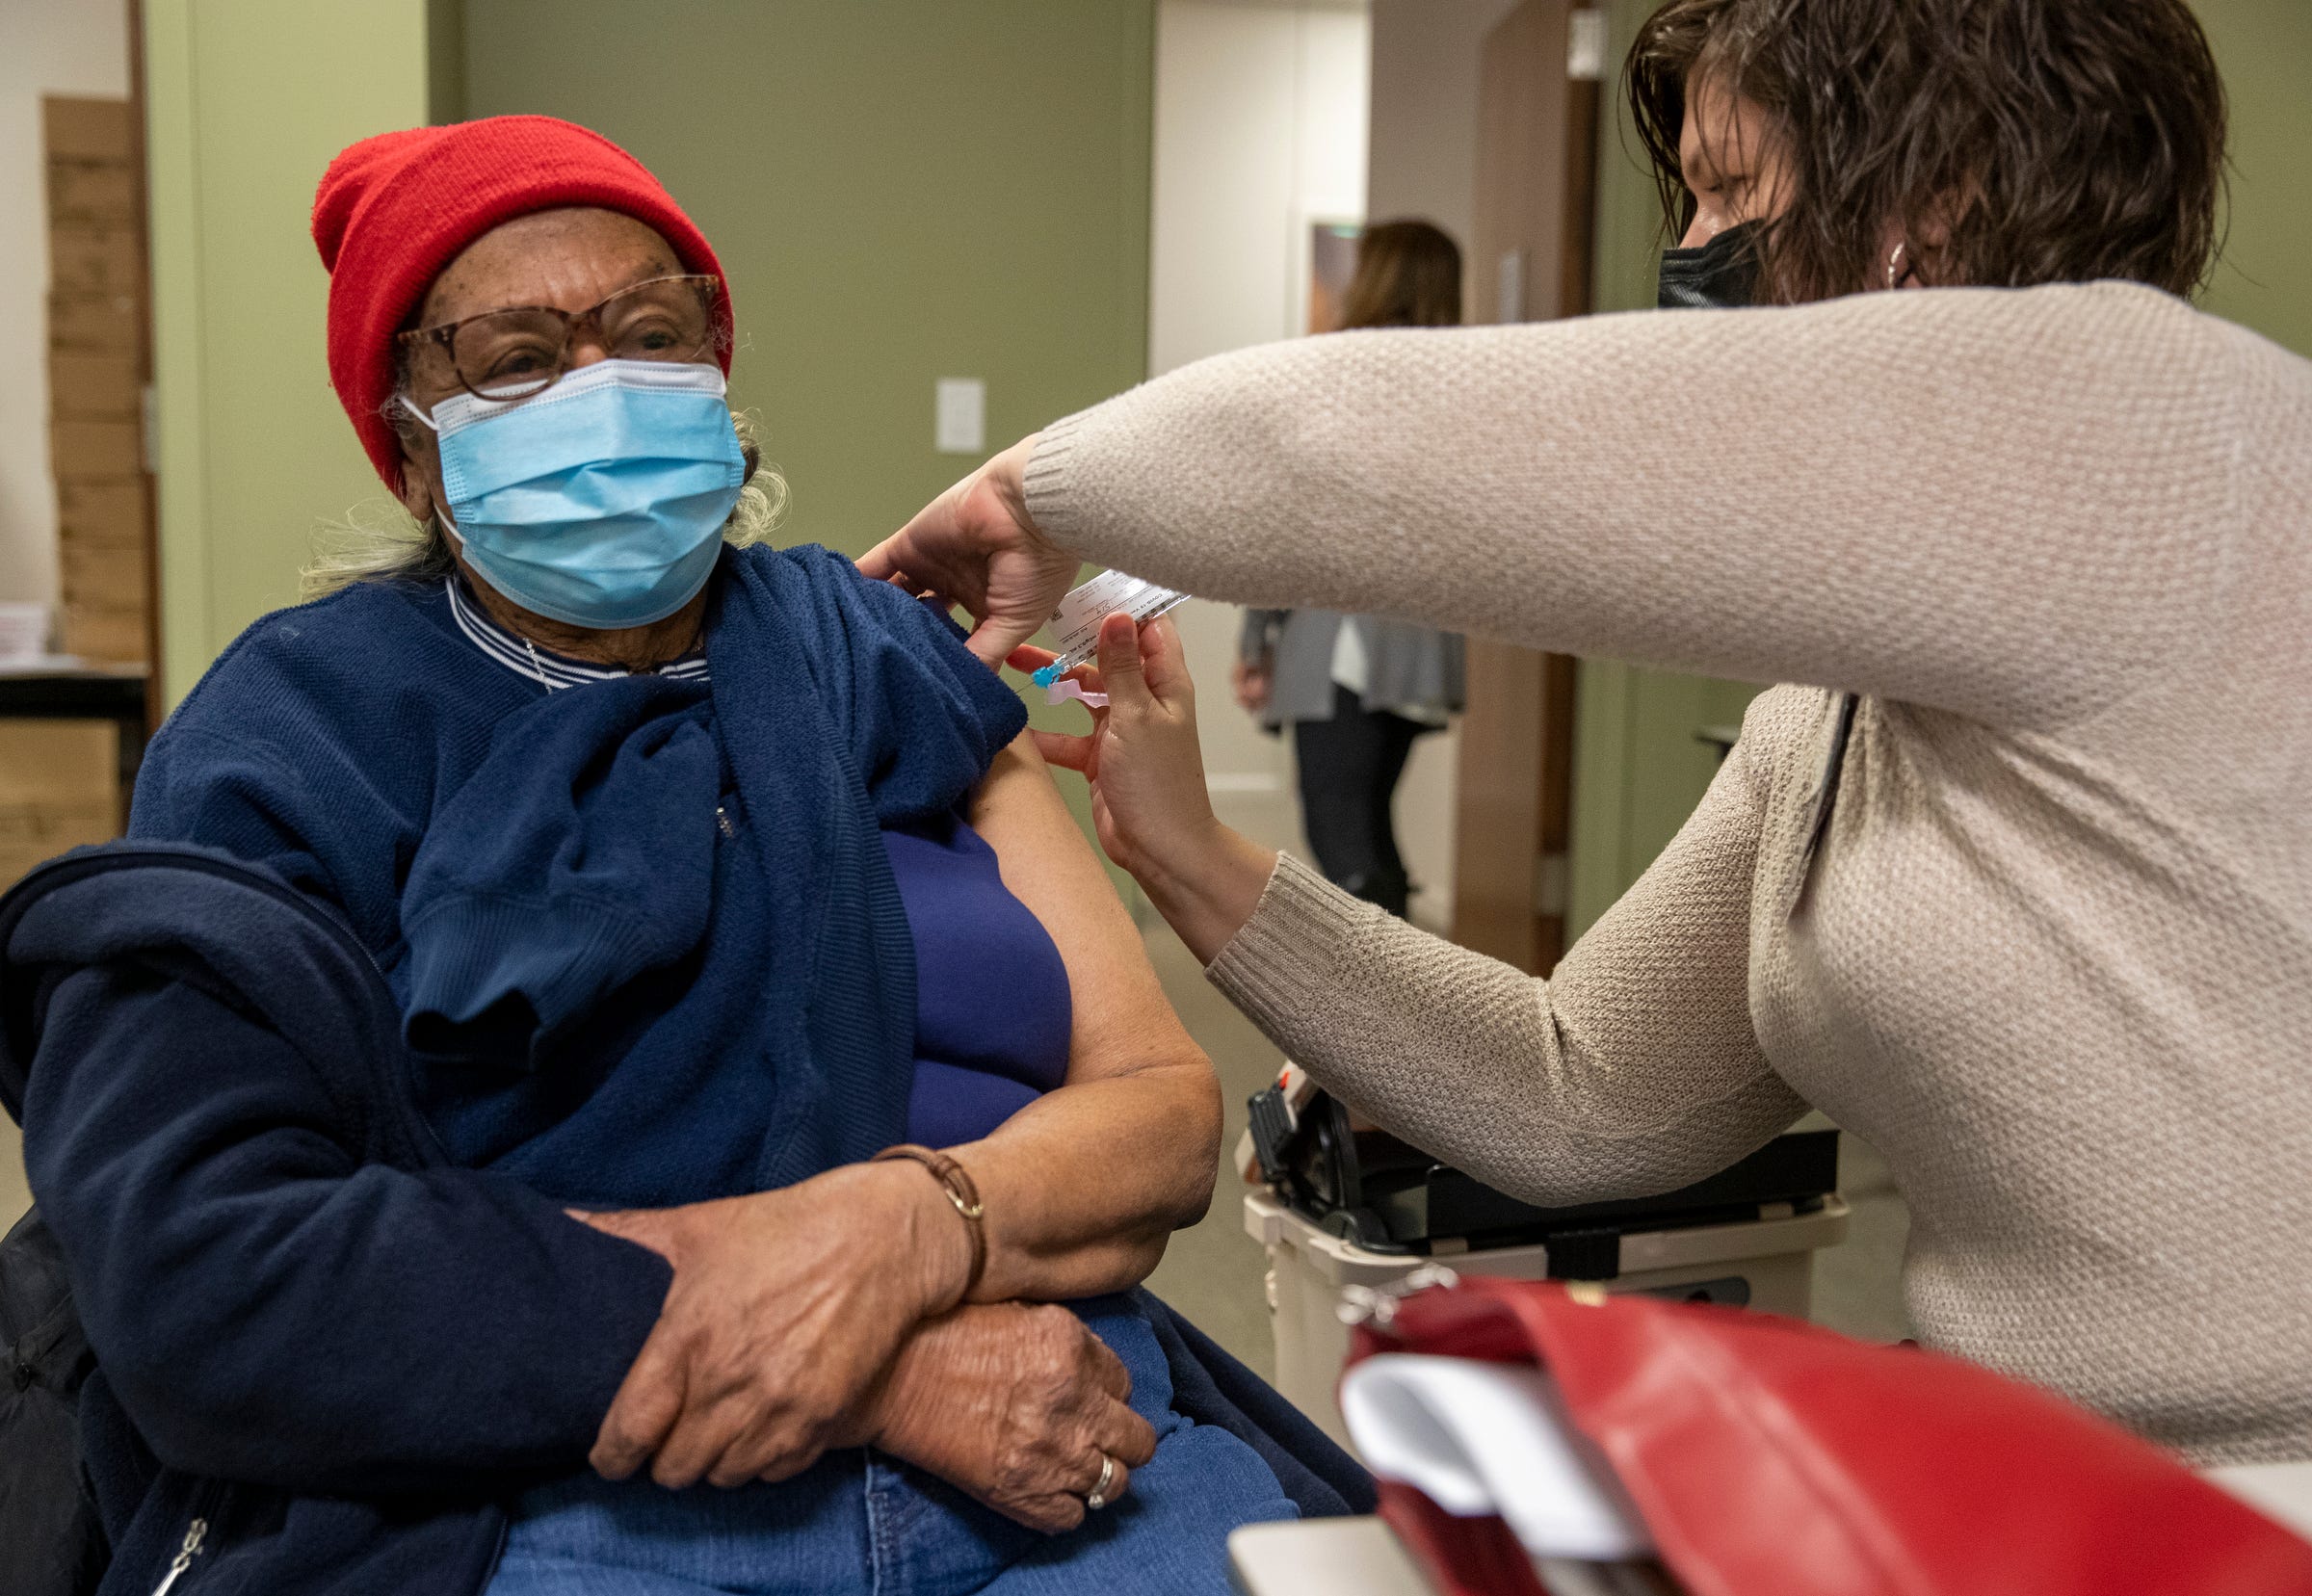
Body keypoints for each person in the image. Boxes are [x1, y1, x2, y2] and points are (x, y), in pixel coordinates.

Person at [866, 0, 2312, 1466]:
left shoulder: (2184, 439)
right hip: (2026, 1461)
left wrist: (1035, 499)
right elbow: (1586, 1094)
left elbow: (1354, 459)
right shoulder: (1833, 714)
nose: (1689, 246)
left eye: (1736, 190)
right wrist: (1188, 852)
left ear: (1935, 215)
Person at [0, 117, 1360, 1596]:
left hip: (1072, 1429)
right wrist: (869, 1372)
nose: (599, 389)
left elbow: (1162, 1114)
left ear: (716, 373)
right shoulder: (297, 736)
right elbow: (219, 1272)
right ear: (410, 454)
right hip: (577, 1496)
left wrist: (901, 1231)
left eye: (649, 332)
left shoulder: (873, 658)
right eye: (514, 360)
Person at [1236, 221, 1466, 918]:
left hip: (1344, 645)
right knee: (1369, 829)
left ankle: (1386, 1015)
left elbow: (1292, 519)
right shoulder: (1463, 384)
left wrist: (1256, 643)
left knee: (1342, 840)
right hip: (1419, 648)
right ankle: (1407, 1006)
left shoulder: (1340, 376)